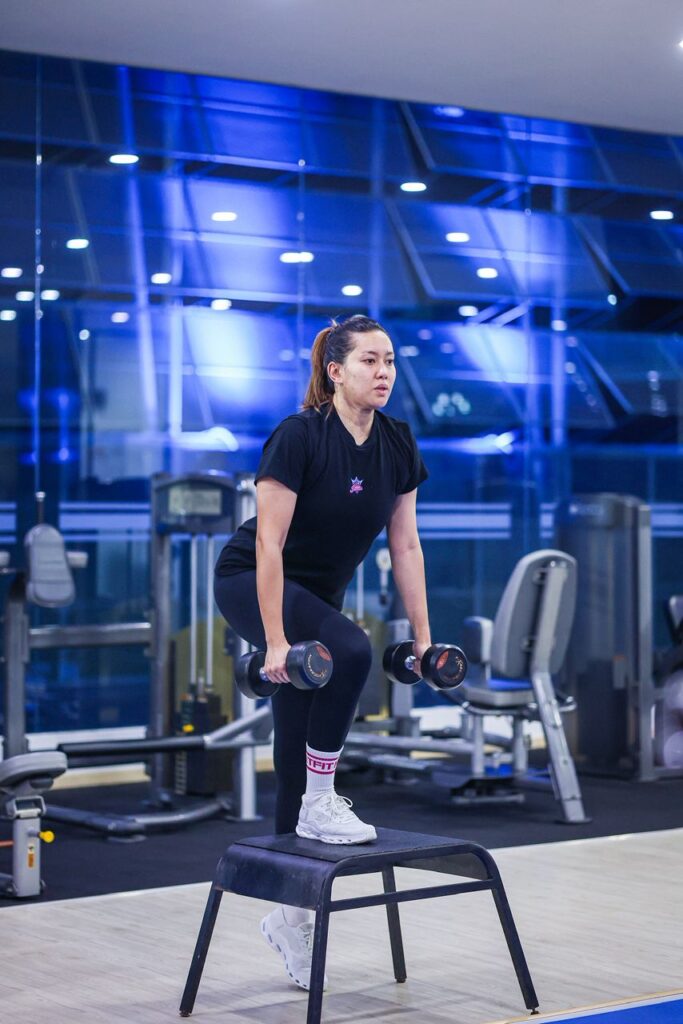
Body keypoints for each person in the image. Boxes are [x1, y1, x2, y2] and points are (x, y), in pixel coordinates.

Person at [214, 313, 431, 991]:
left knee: (293, 748)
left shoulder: (396, 442)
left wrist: (424, 639)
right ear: (335, 371)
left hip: (314, 597)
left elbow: (406, 545)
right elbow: (269, 544)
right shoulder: (299, 435)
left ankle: (289, 916)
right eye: (369, 360)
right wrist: (277, 641)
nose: (383, 372)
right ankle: (323, 798)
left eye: (389, 360)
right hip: (250, 580)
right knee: (350, 649)